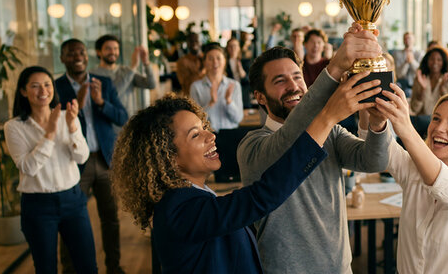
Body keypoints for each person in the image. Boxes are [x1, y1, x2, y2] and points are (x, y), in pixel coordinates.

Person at [112, 73, 378, 273]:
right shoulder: (178, 209)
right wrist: (327, 117)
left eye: (204, 127)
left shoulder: (191, 198)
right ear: (167, 155)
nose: (210, 135)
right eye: (195, 135)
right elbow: (263, 195)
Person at [237, 23, 391, 273]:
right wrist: (335, 68)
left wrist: (377, 121)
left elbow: (374, 161)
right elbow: (289, 139)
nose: (293, 86)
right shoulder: (252, 147)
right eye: (280, 81)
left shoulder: (329, 132)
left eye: (297, 76)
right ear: (260, 97)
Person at [369, 90, 448, 273]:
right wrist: (374, 117)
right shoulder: (413, 169)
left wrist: (406, 128)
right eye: (436, 119)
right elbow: (378, 148)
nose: (439, 128)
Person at [4, 66, 97, 274]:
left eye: (47, 85)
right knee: (46, 268)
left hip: (73, 200)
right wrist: (51, 132)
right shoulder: (14, 127)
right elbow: (28, 167)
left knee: (88, 266)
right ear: (23, 91)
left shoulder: (67, 116)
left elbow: (82, 157)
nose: (43, 91)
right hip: (38, 206)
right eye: (35, 86)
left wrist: (72, 127)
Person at [55, 39, 128, 274]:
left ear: (88, 57)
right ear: (62, 58)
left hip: (105, 160)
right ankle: (69, 269)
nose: (77, 56)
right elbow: (54, 127)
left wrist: (100, 102)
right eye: (71, 53)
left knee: (110, 219)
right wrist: (78, 105)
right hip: (74, 165)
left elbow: (122, 117)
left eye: (81, 52)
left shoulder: (103, 83)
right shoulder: (56, 88)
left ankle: (113, 267)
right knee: (70, 221)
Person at [90, 35, 157, 117]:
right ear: (98, 52)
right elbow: (114, 95)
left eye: (115, 48)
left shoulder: (126, 71)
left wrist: (146, 63)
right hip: (109, 126)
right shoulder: (93, 74)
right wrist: (133, 67)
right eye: (108, 49)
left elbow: (151, 84)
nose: (112, 52)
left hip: (130, 123)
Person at [190, 44, 244, 131]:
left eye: (218, 58)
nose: (215, 62)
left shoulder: (234, 85)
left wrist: (229, 101)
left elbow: (238, 119)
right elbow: (195, 121)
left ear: (225, 61)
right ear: (204, 62)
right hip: (207, 135)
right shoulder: (196, 87)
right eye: (210, 59)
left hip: (231, 135)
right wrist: (211, 103)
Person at [410, 46, 448, 116]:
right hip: (422, 120)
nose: (435, 62)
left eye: (439, 60)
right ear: (427, 61)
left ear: (444, 62)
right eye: (432, 59)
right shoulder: (420, 79)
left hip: (442, 119)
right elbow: (414, 108)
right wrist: (422, 90)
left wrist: (442, 89)